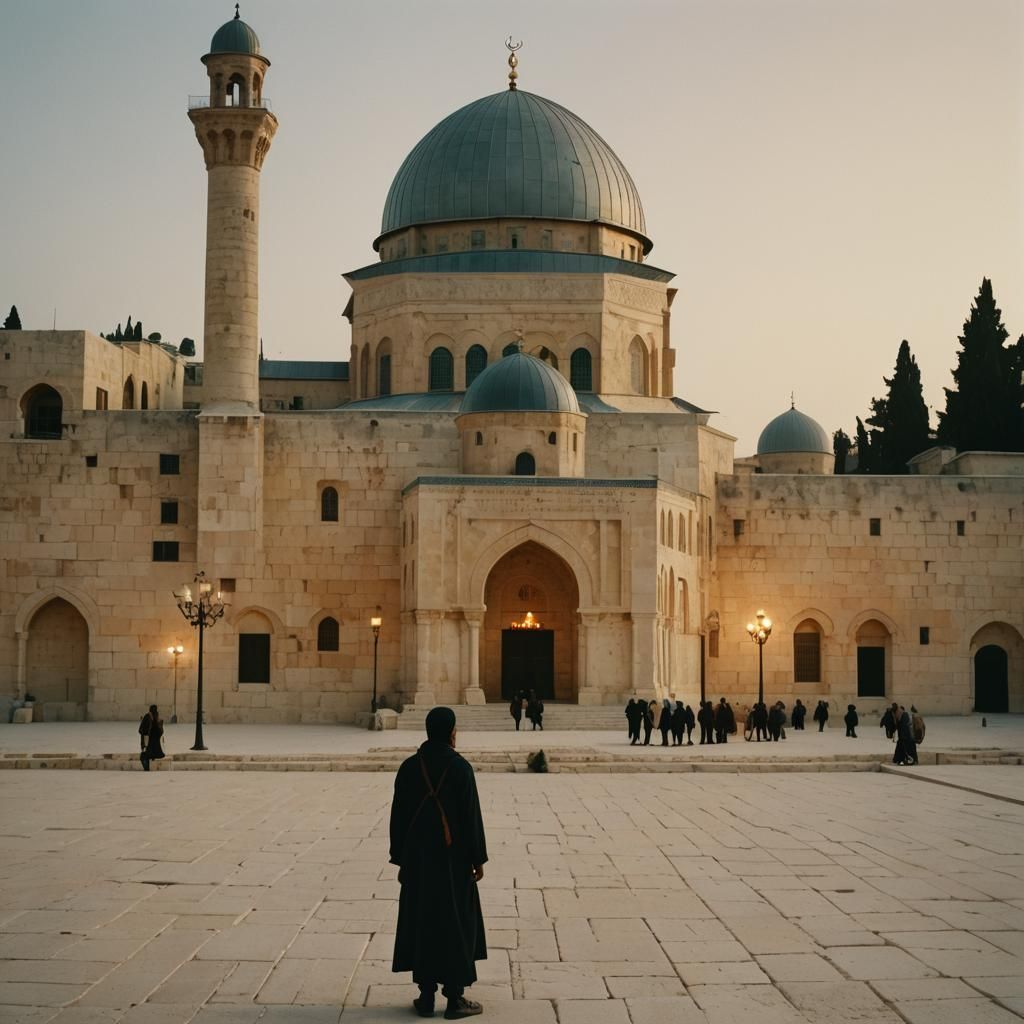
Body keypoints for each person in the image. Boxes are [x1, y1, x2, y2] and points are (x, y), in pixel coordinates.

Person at [390, 706, 487, 1020]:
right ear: (451, 732)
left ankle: (426, 996)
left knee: (423, 920)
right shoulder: (460, 768)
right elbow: (471, 817)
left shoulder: (409, 767)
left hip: (418, 862)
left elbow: (398, 817)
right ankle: (455, 999)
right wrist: (477, 858)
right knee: (455, 921)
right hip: (453, 862)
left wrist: (400, 856)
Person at [139, 704, 164, 771]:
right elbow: (160, 732)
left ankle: (146, 767)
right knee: (148, 754)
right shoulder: (156, 717)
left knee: (146, 754)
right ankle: (147, 767)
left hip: (149, 741)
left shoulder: (148, 716)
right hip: (153, 744)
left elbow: (141, 730)